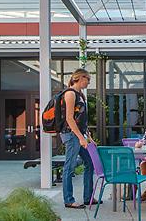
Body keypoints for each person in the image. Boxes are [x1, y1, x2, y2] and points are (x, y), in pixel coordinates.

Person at [60, 69, 95, 210]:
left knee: (90, 163)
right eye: (88, 79)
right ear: (81, 78)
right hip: (71, 135)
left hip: (79, 135)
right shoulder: (70, 94)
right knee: (69, 167)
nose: (89, 82)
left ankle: (88, 197)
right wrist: (81, 138)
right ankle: (69, 200)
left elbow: (80, 120)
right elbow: (69, 118)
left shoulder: (80, 95)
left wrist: (88, 137)